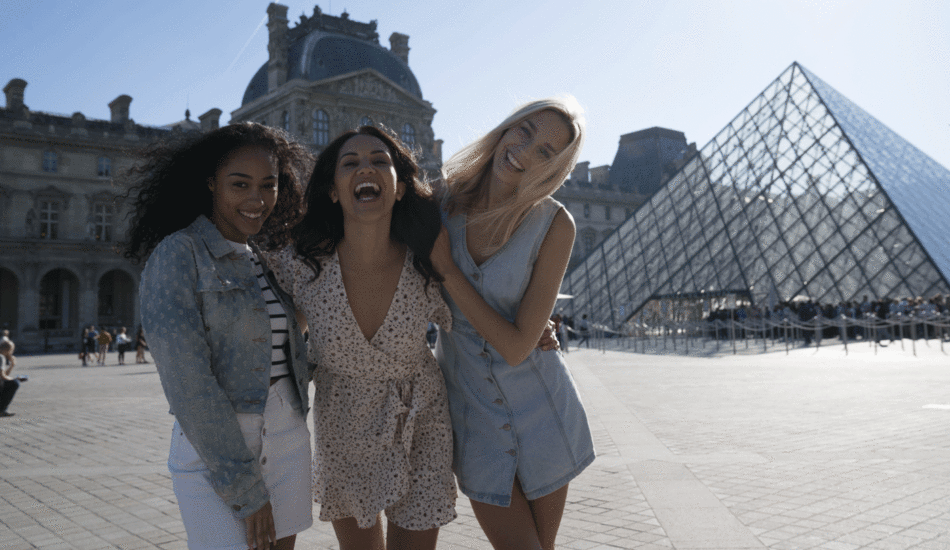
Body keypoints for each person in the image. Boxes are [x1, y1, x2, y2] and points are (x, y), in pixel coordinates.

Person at [263, 126, 457, 550]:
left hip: (421, 415)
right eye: (349, 163)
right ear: (333, 191)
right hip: (343, 426)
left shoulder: (429, 260)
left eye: (379, 160)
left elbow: (477, 312)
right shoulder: (301, 265)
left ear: (400, 188)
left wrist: (539, 328)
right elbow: (255, 318)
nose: (365, 168)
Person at [124, 122, 315, 550]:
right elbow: (187, 383)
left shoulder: (263, 260)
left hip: (287, 435)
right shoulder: (178, 254)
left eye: (269, 184)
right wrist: (246, 491)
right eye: (240, 184)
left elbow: (288, 355)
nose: (257, 198)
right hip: (218, 450)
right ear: (211, 183)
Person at [431, 97, 595, 550]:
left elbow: (518, 348)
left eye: (545, 151)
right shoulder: (437, 204)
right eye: (523, 130)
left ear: (556, 167)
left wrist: (448, 271)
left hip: (544, 411)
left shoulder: (554, 224)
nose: (524, 150)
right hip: (475, 417)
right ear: (505, 128)